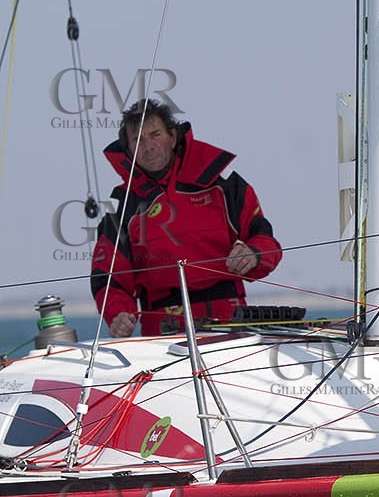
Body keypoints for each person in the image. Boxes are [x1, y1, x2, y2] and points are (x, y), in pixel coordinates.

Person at [91, 99, 282, 337]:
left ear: (172, 137)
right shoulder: (121, 214)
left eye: (155, 134)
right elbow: (109, 281)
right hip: (162, 336)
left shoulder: (225, 189)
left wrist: (253, 254)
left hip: (230, 328)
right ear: (128, 150)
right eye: (138, 140)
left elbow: (266, 241)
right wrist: (117, 314)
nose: (148, 146)